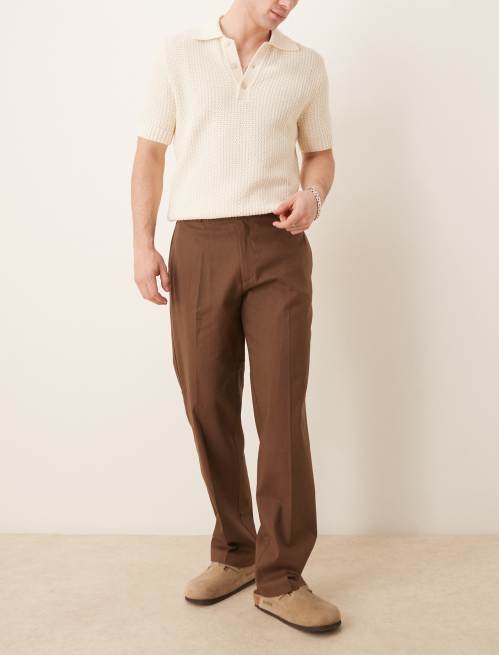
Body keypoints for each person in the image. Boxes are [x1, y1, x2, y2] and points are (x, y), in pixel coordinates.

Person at [130, 0, 341, 634]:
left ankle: (282, 577)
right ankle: (236, 550)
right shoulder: (179, 53)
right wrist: (143, 246)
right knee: (205, 400)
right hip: (198, 242)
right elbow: (150, 154)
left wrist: (312, 196)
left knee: (280, 407)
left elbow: (320, 155)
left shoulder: (305, 65)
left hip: (278, 245)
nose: (287, 1)